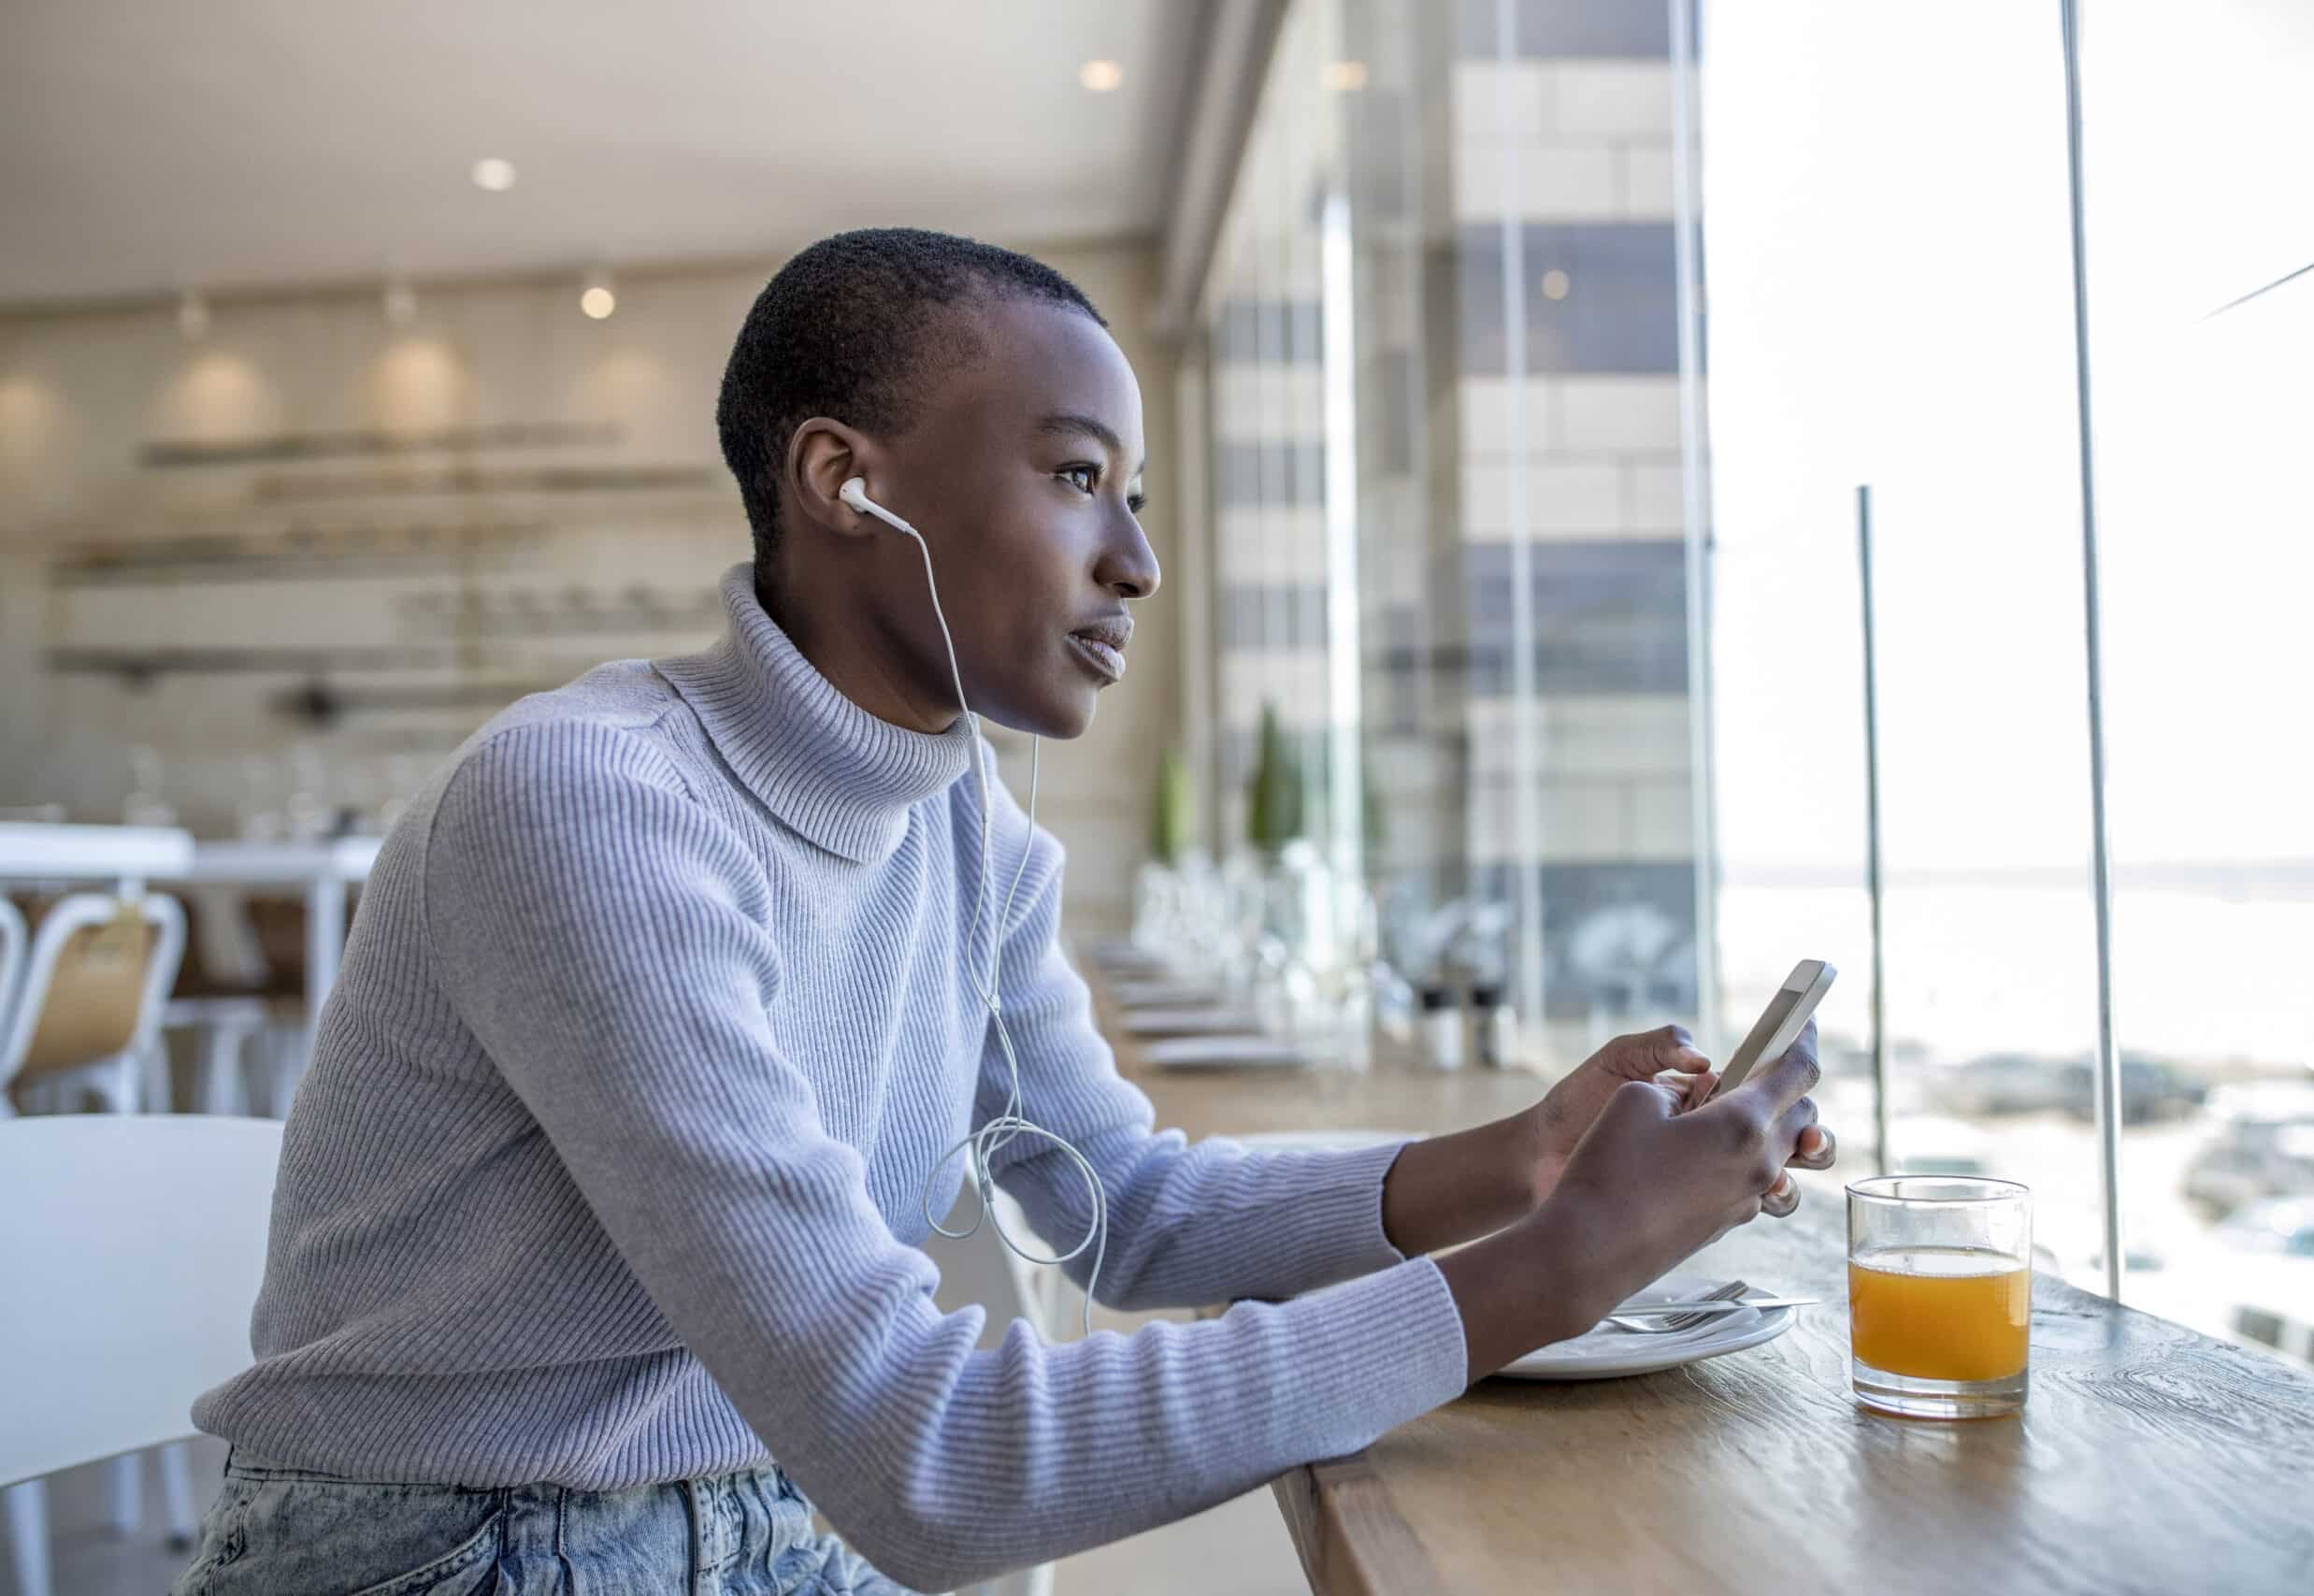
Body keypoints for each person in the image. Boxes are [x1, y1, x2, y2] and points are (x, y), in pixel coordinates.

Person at [172, 228, 1833, 1596]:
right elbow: (929, 1461)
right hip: (456, 1558)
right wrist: (1560, 1269)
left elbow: (1125, 1210)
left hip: (770, 1535)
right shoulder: (593, 807)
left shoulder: (962, 821)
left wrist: (1523, 1161)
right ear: (844, 478)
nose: (1137, 562)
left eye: (1138, 497)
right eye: (1076, 475)